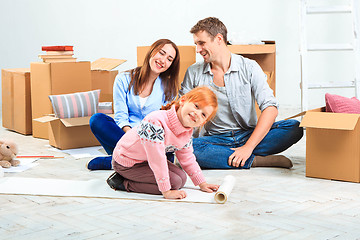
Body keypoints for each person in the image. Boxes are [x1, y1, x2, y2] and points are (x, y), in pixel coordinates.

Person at [179, 17, 304, 169]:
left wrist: (248, 146)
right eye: (196, 44)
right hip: (215, 139)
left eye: (201, 43)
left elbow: (270, 108)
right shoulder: (194, 72)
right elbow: (181, 109)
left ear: (219, 39)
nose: (198, 49)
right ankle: (256, 161)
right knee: (188, 148)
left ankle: (231, 156)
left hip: (248, 134)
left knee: (294, 127)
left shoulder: (249, 67)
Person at [107, 86, 220, 199]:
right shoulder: (155, 121)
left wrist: (202, 183)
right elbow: (157, 159)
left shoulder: (186, 132)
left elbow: (187, 158)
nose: (197, 113)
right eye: (196, 106)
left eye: (203, 114)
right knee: (174, 183)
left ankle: (141, 179)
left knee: (182, 178)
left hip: (145, 160)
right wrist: (166, 191)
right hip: (126, 162)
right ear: (183, 100)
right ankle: (123, 183)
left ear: (202, 123)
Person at [87, 39, 180, 170]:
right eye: (161, 53)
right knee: (97, 120)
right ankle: (140, 161)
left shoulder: (168, 87)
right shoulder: (123, 79)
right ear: (152, 51)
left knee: (169, 153)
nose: (163, 60)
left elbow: (164, 123)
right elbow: (121, 116)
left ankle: (118, 161)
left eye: (169, 59)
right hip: (125, 134)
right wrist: (132, 139)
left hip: (150, 139)